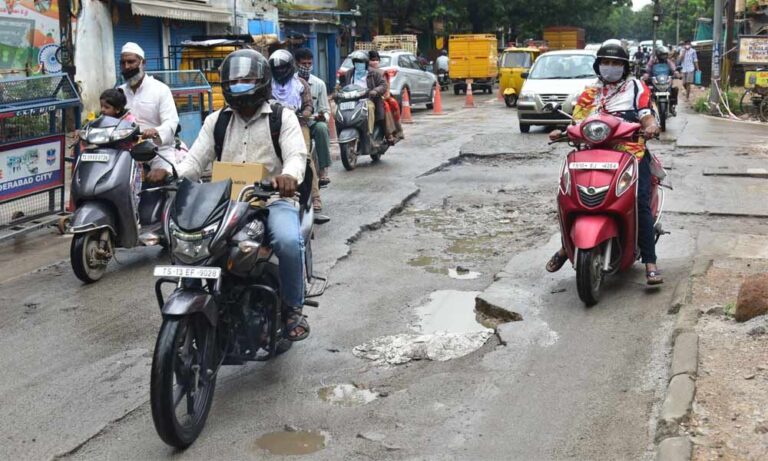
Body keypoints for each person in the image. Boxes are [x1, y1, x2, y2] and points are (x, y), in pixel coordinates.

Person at [146, 49, 312, 341]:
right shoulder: (216, 121)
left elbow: (296, 156)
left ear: (261, 81)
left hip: (271, 199)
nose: (240, 85)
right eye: (234, 81)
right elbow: (194, 162)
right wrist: (172, 173)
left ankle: (292, 308)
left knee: (287, 241)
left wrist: (288, 177)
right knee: (197, 245)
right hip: (225, 203)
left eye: (247, 79)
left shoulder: (281, 117)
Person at [545, 40, 663, 285]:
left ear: (625, 67)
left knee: (639, 201)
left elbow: (645, 113)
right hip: (591, 152)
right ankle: (567, 247)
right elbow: (577, 121)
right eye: (606, 63)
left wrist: (651, 126)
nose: (611, 67)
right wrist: (562, 131)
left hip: (630, 152)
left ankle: (650, 261)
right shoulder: (590, 92)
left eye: (616, 63)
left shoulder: (636, 87)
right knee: (568, 197)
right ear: (599, 66)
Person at [268, 49, 324, 213]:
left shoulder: (301, 84)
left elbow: (308, 106)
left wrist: (302, 115)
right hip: (273, 124)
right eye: (276, 69)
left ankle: (315, 197)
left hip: (298, 125)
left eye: (282, 68)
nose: (279, 72)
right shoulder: (268, 85)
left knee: (304, 158)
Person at [118, 42, 178, 176]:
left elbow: (171, 122)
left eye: (131, 62)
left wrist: (156, 131)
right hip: (126, 153)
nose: (126, 67)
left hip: (158, 151)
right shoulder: (119, 92)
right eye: (123, 63)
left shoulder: (161, 90)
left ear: (142, 63)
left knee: (160, 179)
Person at [294, 48, 332, 187]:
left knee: (322, 128)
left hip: (312, 122)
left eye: (309, 63)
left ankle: (323, 171)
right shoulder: (290, 83)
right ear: (297, 63)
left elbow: (325, 109)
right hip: (293, 122)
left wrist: (323, 117)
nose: (307, 66)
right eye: (304, 63)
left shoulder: (319, 84)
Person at [339, 50, 388, 137]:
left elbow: (383, 85)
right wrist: (336, 93)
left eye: (361, 62)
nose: (359, 64)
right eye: (357, 62)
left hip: (367, 100)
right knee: (338, 110)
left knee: (369, 108)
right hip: (351, 101)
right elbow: (340, 87)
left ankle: (369, 133)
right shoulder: (348, 74)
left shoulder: (374, 73)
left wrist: (375, 91)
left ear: (366, 63)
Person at [368, 50, 404, 145]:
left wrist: (381, 95)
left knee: (391, 104)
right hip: (363, 98)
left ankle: (392, 133)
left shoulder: (382, 73)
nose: (374, 62)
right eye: (372, 60)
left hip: (378, 97)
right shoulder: (358, 72)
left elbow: (386, 89)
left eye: (376, 60)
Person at [644, 46, 679, 116]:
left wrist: (676, 72)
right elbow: (648, 68)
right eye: (663, 55)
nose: (665, 56)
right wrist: (646, 74)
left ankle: (672, 106)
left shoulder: (668, 62)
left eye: (665, 55)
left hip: (666, 80)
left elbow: (673, 68)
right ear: (658, 55)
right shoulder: (653, 61)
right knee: (647, 90)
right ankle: (647, 108)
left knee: (675, 90)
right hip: (655, 80)